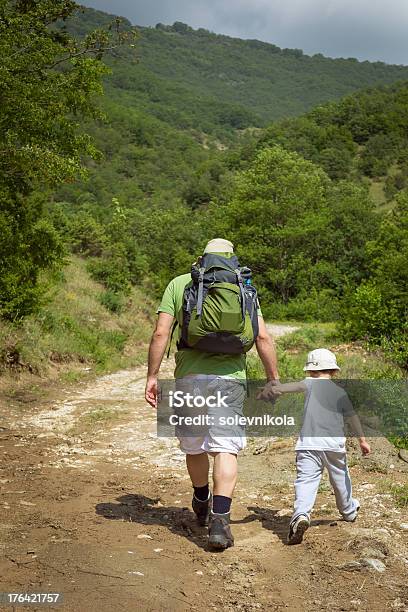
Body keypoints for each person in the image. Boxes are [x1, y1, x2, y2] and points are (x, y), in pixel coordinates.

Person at [145, 238, 279, 550]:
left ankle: (201, 499)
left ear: (202, 257)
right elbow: (261, 336)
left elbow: (161, 332)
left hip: (190, 377)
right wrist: (273, 378)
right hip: (230, 379)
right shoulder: (244, 285)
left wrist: (152, 376)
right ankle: (221, 521)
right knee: (225, 448)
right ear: (232, 258)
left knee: (194, 447)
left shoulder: (180, 283)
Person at [258, 348, 371, 545]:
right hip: (333, 446)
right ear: (333, 371)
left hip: (308, 444)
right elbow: (352, 417)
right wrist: (362, 440)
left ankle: (301, 514)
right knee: (340, 479)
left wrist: (268, 391)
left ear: (311, 371)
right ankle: (349, 511)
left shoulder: (308, 383)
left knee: (306, 481)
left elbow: (283, 389)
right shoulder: (340, 392)